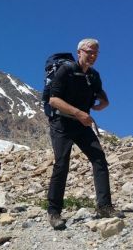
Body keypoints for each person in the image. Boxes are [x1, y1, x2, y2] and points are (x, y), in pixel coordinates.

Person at [46, 38, 123, 230]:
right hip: (61, 123)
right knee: (62, 163)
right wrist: (79, 113)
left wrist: (103, 102)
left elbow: (100, 94)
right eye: (89, 52)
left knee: (99, 159)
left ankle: (104, 207)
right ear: (79, 52)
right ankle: (54, 212)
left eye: (96, 52)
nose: (93, 56)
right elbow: (53, 100)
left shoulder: (94, 76)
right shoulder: (66, 71)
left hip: (81, 125)